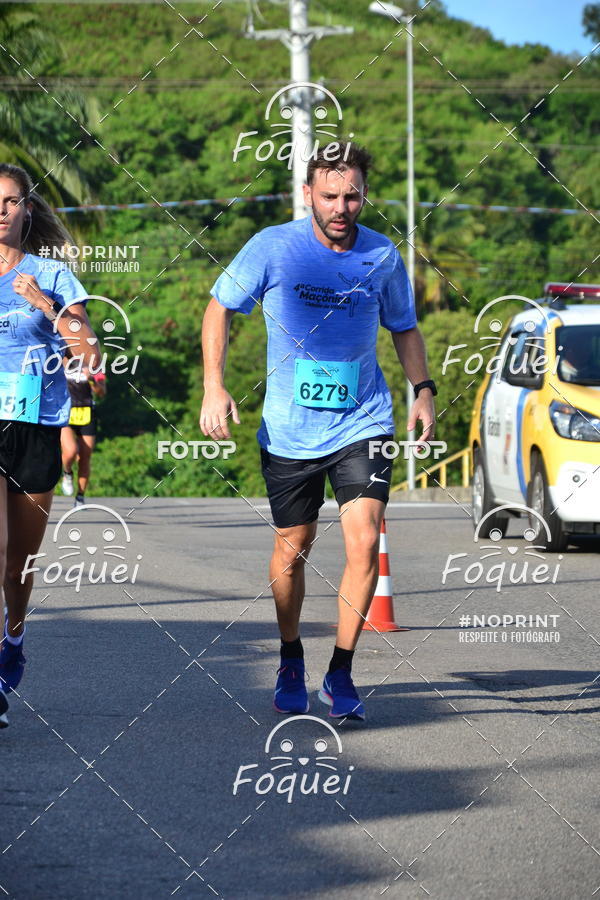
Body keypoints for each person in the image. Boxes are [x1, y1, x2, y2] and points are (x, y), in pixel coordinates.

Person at [200, 142, 436, 721]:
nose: (341, 206)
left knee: (365, 537)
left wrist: (423, 389)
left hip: (364, 420)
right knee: (292, 549)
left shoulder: (382, 255)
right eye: (329, 195)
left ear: (364, 195)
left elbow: (404, 327)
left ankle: (340, 672)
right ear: (308, 194)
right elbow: (219, 307)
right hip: (289, 429)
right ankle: (289, 657)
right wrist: (214, 385)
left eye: (352, 194)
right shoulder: (272, 247)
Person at [0, 163, 98, 727]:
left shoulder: (54, 278)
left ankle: (14, 634)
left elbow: (87, 355)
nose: (2, 211)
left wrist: (44, 303)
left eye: (11, 201)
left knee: (19, 561)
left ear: (27, 210)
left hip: (35, 424)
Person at [61, 355, 106, 505]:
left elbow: (101, 392)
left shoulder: (94, 364)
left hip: (86, 413)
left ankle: (80, 496)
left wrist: (92, 379)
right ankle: (67, 472)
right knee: (71, 451)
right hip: (65, 412)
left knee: (85, 456)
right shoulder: (58, 358)